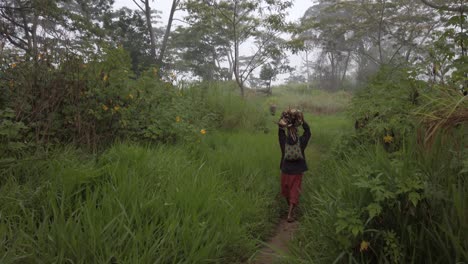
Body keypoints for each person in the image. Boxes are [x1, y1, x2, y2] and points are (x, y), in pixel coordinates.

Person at [278, 112, 311, 223]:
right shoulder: (301, 142)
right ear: (296, 132)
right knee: (294, 191)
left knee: (287, 191)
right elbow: (308, 133)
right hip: (297, 171)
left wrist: (283, 119)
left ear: (288, 132)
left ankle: (290, 209)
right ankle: (290, 213)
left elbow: (280, 130)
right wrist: (302, 121)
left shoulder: (284, 141)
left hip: (285, 170)